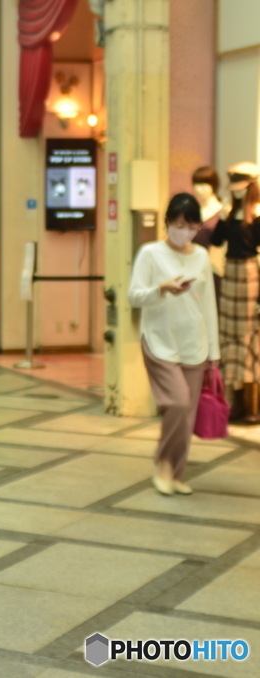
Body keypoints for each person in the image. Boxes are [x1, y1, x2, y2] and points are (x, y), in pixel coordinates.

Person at [128, 193, 220, 496]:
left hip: (194, 344)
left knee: (187, 414)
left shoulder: (202, 256)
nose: (185, 231)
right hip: (159, 341)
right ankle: (162, 465)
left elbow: (208, 306)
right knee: (178, 403)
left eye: (191, 226)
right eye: (179, 224)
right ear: (167, 223)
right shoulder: (150, 253)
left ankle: (176, 474)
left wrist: (214, 353)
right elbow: (134, 296)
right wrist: (161, 289)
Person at [210, 162, 260, 420]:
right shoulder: (230, 213)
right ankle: (236, 403)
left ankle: (251, 407)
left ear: (251, 186)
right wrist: (221, 216)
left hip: (250, 275)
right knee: (229, 337)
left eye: (241, 187)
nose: (237, 191)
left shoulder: (258, 214)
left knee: (248, 338)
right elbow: (216, 241)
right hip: (230, 274)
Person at [192, 166, 226, 297]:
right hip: (193, 265)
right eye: (196, 184)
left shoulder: (222, 212)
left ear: (214, 184)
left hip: (213, 267)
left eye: (203, 184)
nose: (198, 188)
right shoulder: (195, 211)